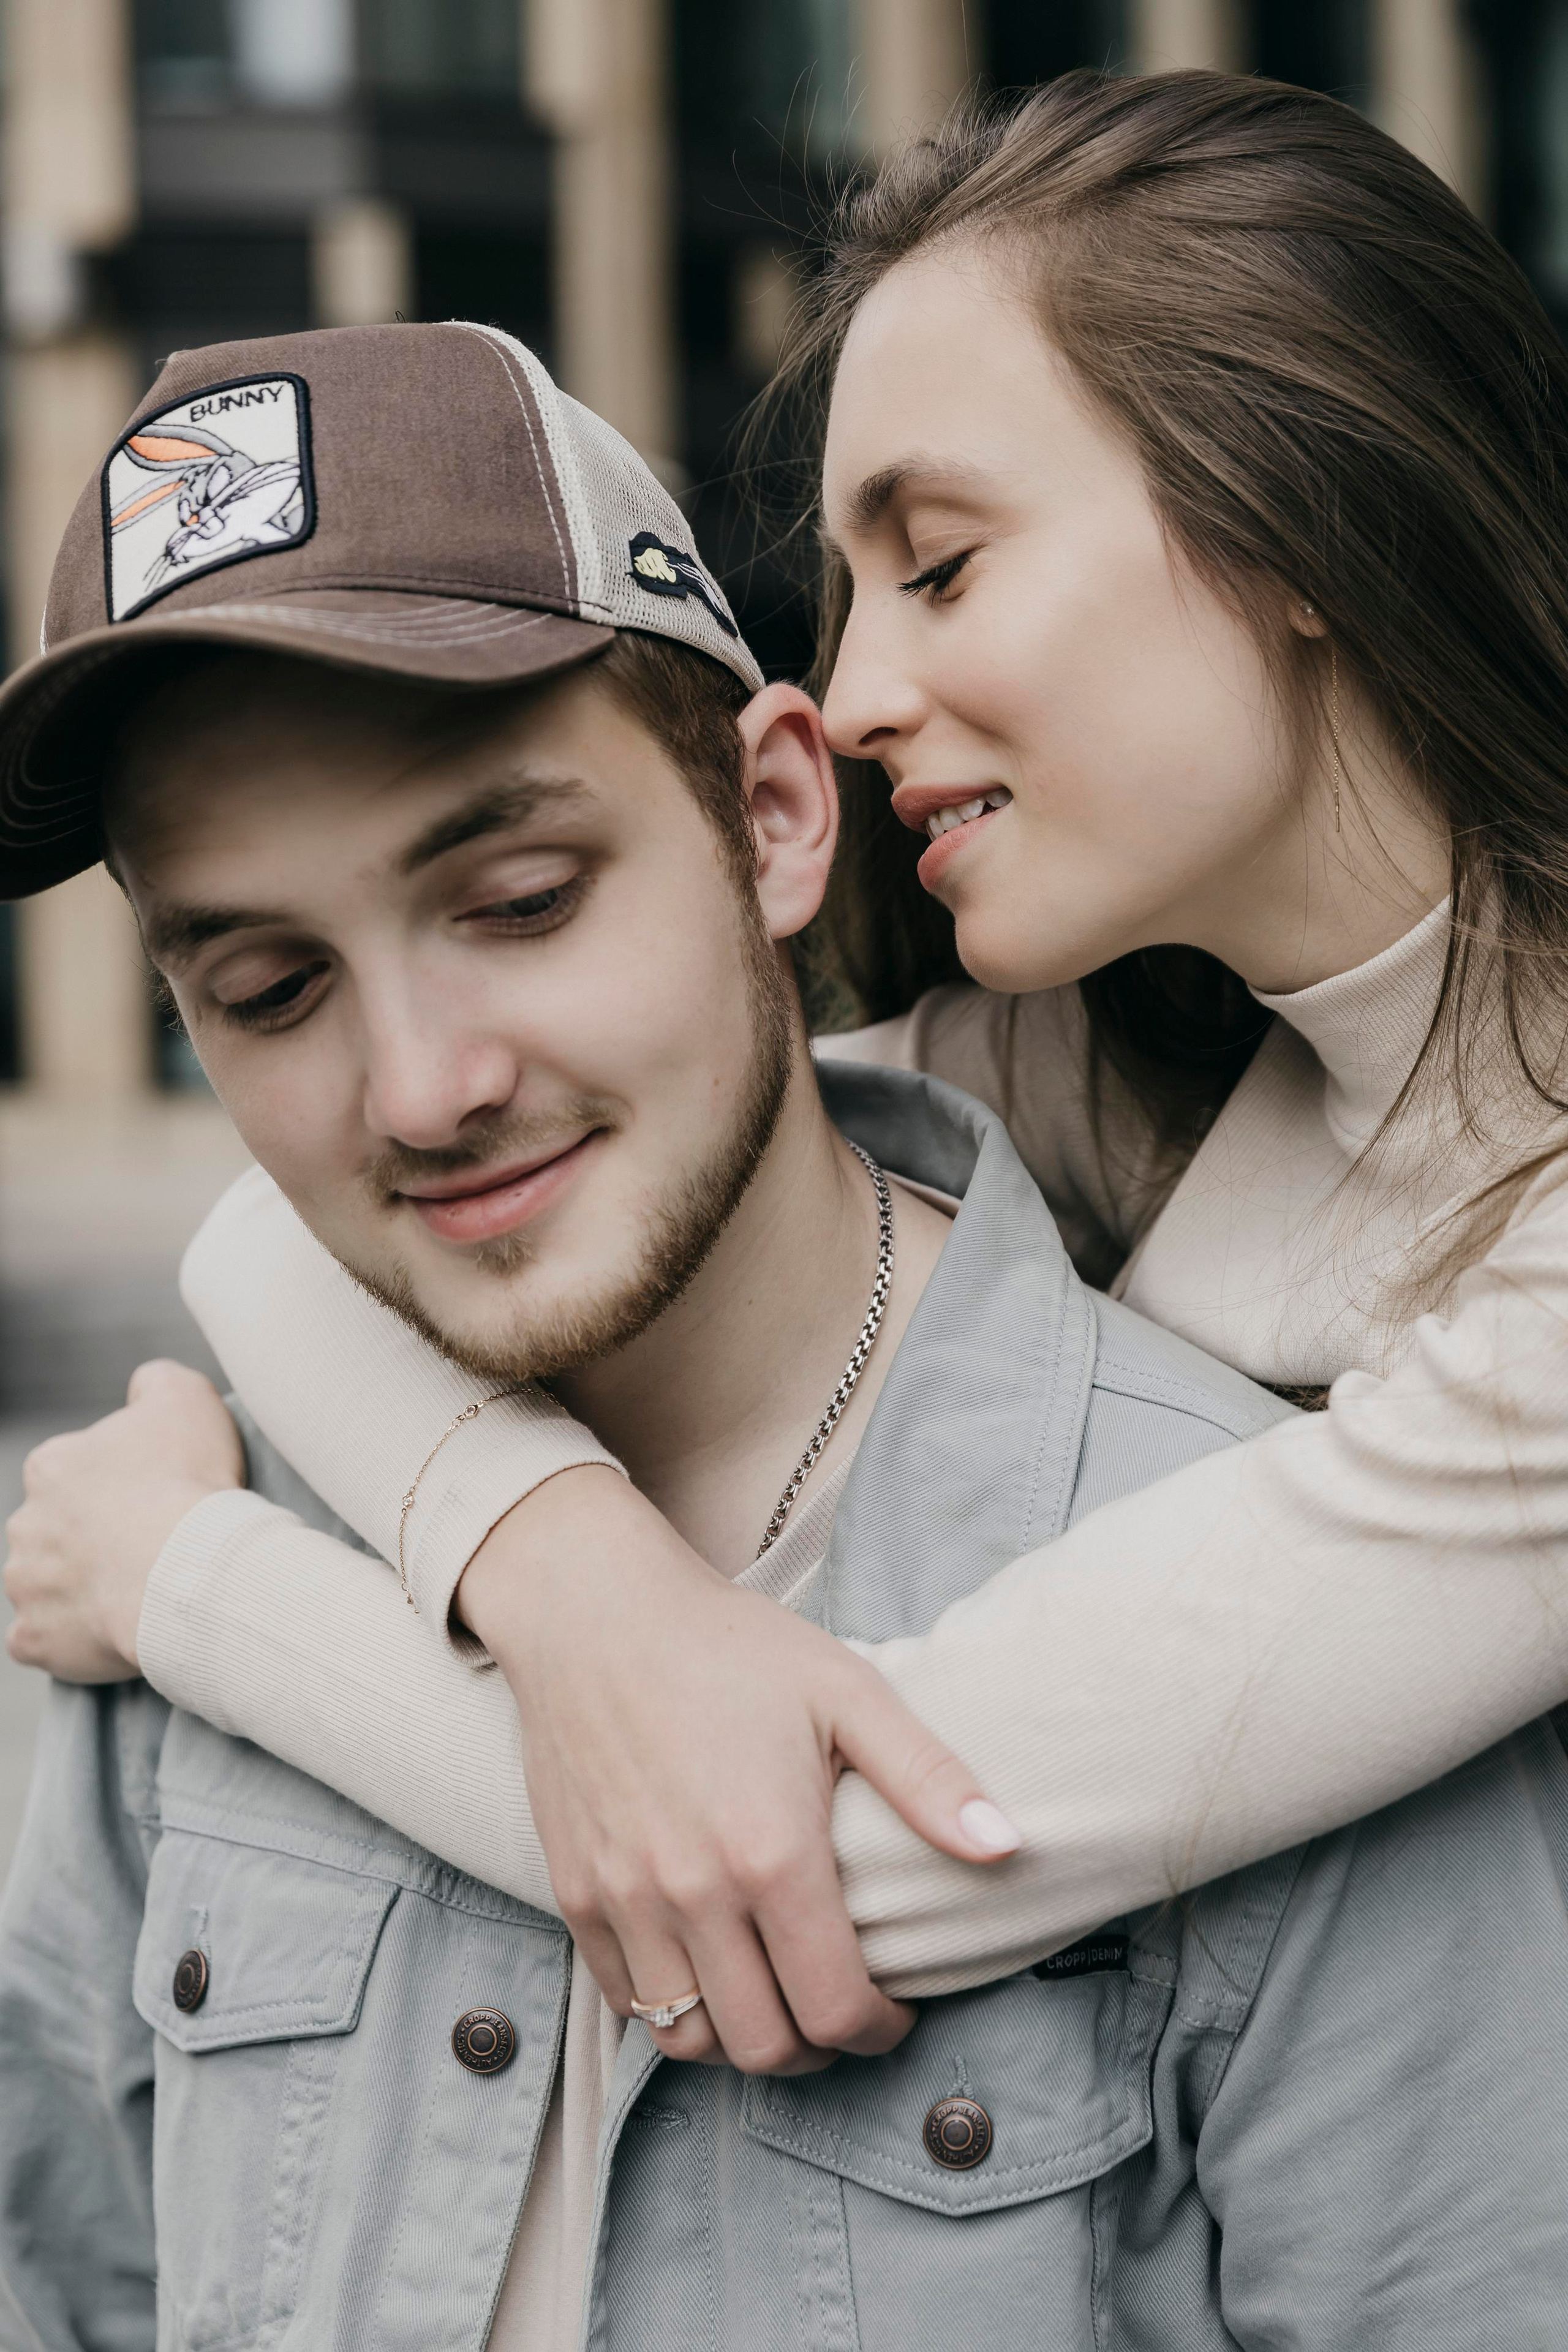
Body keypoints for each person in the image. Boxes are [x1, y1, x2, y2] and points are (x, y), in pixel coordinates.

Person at [15, 315, 1564, 2351]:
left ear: (775, 820)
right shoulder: (182, 1561)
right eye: (272, 989)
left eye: (520, 899)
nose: (418, 1090)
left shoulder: (1295, 1639)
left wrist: (213, 1591)